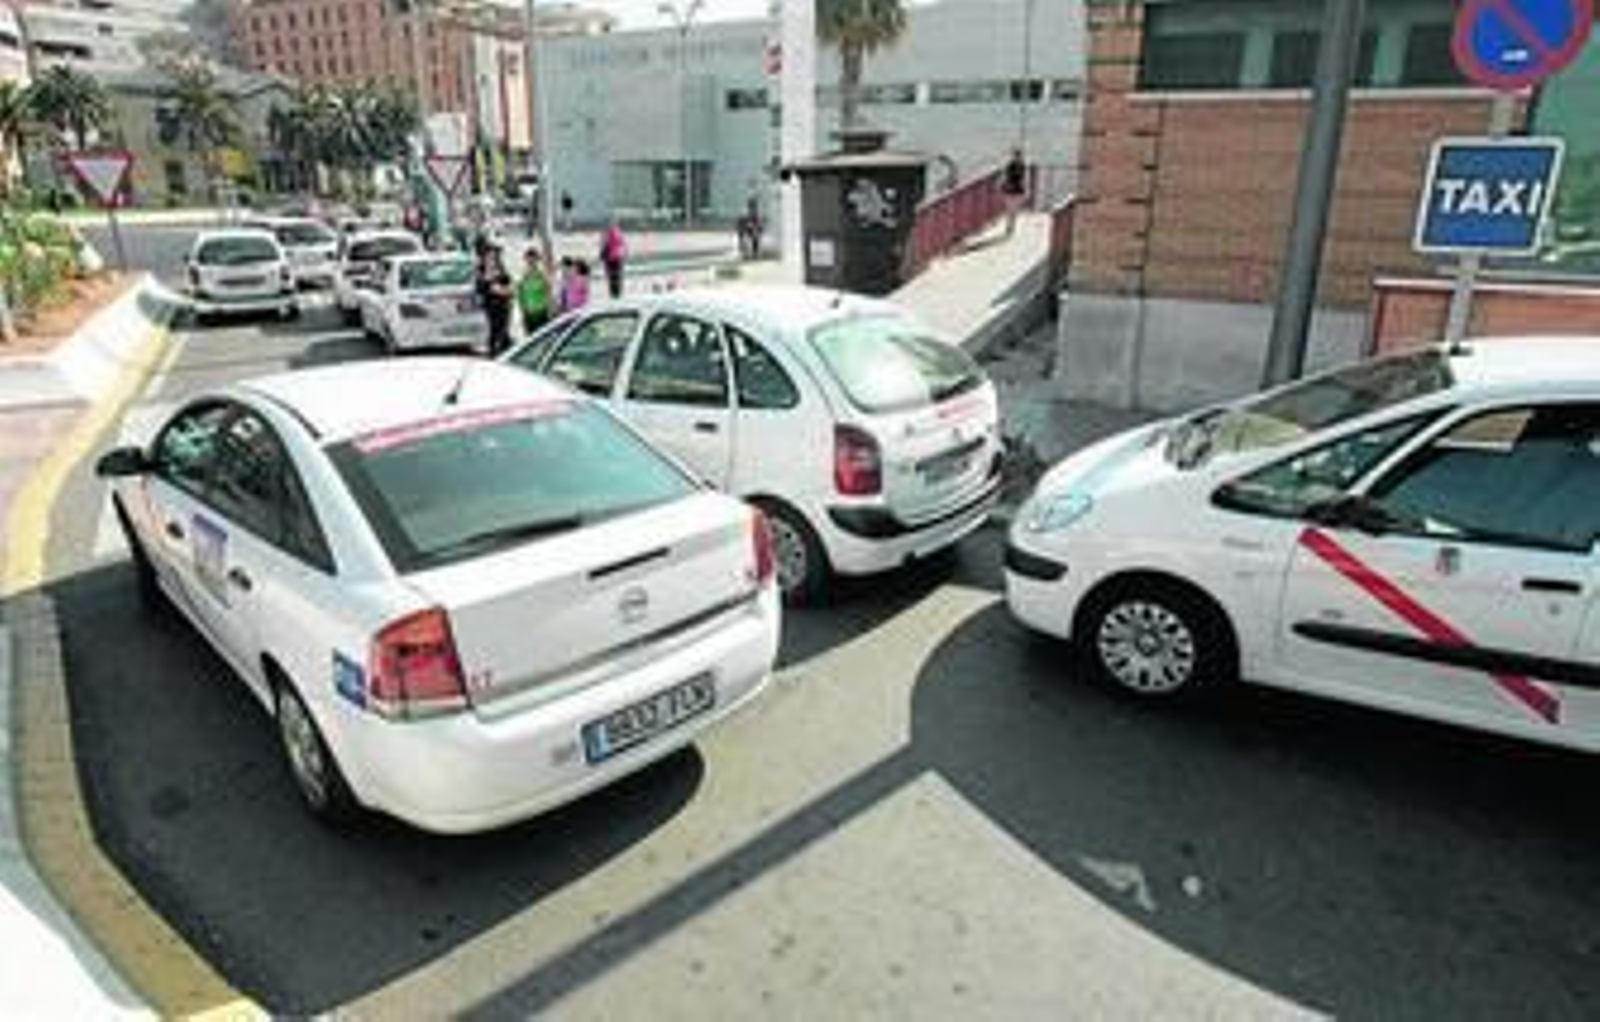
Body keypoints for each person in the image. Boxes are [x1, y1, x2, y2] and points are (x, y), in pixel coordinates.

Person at [476, 244, 515, 357]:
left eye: (494, 257)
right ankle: (494, 353)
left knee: (504, 329)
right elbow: (483, 288)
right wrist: (496, 288)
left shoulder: (501, 269)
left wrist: (505, 290)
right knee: (494, 330)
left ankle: (505, 352)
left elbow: (509, 284)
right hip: (491, 307)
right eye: (489, 256)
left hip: (504, 305)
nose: (492, 259)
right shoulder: (481, 271)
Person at [517, 246, 553, 338]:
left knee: (542, 337)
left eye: (533, 260)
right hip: (529, 313)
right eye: (529, 260)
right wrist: (523, 313)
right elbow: (520, 296)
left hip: (541, 312)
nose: (531, 262)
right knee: (530, 338)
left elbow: (548, 292)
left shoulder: (541, 275)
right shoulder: (523, 276)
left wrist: (549, 310)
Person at [1001, 147, 1028, 239]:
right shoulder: (1010, 166)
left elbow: (1022, 178)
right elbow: (1007, 177)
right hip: (1010, 190)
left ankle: (1011, 226)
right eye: (1016, 155)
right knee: (1010, 210)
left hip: (1017, 190)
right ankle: (1009, 227)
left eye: (1018, 156)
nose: (1017, 157)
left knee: (1014, 210)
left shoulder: (1022, 166)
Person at [599, 218, 627, 299]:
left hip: (611, 257)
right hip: (618, 257)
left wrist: (602, 253)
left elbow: (604, 243)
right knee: (617, 275)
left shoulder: (608, 232)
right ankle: (617, 292)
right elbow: (623, 245)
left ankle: (613, 292)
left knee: (611, 276)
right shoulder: (620, 232)